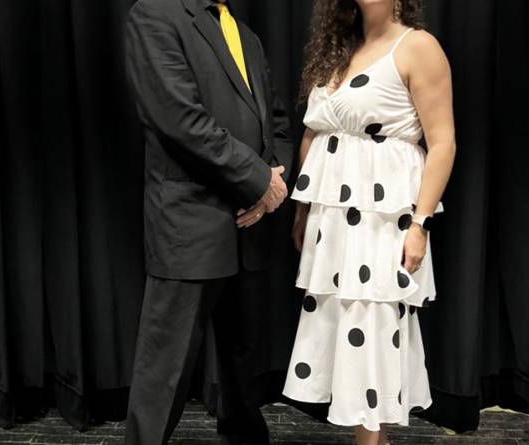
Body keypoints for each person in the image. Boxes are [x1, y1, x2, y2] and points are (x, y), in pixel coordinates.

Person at [282, 0, 455, 444]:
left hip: (383, 213)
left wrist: (420, 224)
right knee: (346, 323)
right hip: (334, 215)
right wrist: (303, 208)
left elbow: (442, 143)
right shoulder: (339, 48)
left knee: (374, 319)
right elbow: (313, 132)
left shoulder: (417, 47)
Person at [124, 0, 294, 443]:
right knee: (165, 367)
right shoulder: (155, 14)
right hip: (191, 220)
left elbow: (276, 124)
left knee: (244, 362)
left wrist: (270, 186)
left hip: (250, 222)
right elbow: (180, 120)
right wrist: (258, 181)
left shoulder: (246, 35)